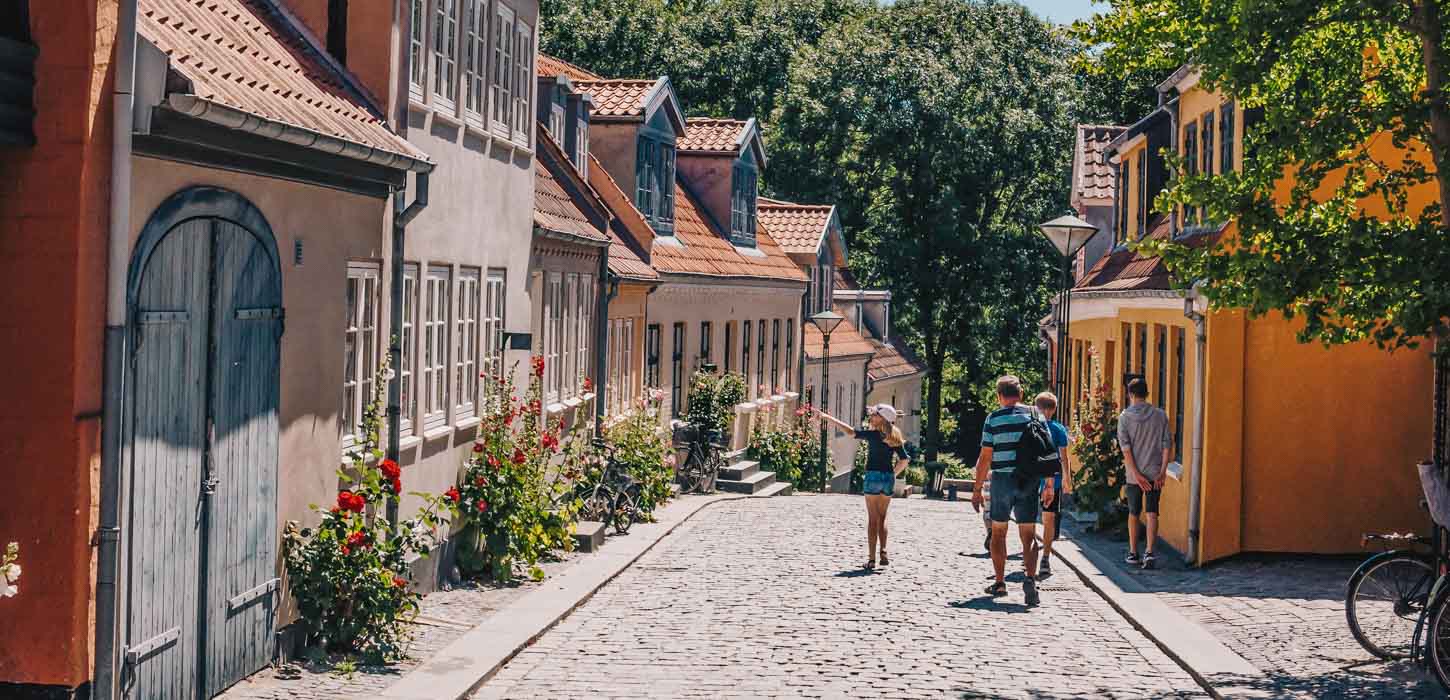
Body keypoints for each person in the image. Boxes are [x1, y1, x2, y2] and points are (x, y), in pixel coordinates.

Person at [972, 376, 1043, 606]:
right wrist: (1049, 484)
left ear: (999, 396)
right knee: (1028, 534)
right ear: (1020, 394)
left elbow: (985, 456)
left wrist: (977, 488)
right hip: (1029, 480)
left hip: (1002, 480)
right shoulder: (1035, 415)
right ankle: (1030, 579)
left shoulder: (993, 419)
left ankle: (1000, 582)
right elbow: (1047, 451)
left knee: (999, 531)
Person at [820, 404, 910, 570]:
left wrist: (830, 418)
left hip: (872, 476)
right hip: (887, 478)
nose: (872, 417)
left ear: (882, 419)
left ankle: (871, 559)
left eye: (875, 415)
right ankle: (883, 550)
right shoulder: (895, 437)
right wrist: (892, 475)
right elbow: (904, 460)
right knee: (883, 517)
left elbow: (850, 431)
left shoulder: (873, 435)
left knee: (872, 519)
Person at [1119, 377, 1172, 570]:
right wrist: (1163, 471)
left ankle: (1133, 553)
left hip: (1135, 475)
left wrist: (1136, 474)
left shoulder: (1124, 417)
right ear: (1147, 393)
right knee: (1152, 512)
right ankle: (1150, 551)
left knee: (1133, 512)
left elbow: (1126, 449)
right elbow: (1167, 445)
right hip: (1154, 471)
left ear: (1130, 394)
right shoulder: (1160, 415)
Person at [1033, 392, 1070, 577]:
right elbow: (1064, 458)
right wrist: (1067, 480)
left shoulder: (1030, 426)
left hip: (1033, 480)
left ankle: (1029, 553)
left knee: (1030, 518)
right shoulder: (1059, 429)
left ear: (1036, 408)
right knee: (1049, 519)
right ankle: (1045, 557)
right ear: (1054, 409)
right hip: (1053, 480)